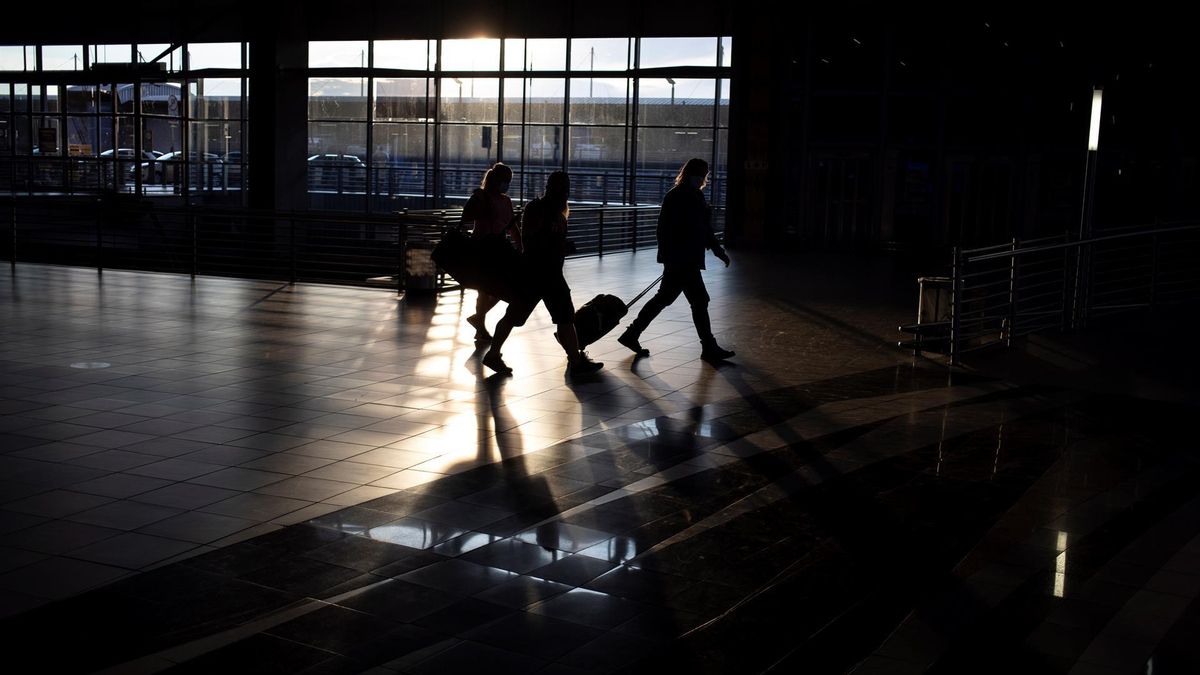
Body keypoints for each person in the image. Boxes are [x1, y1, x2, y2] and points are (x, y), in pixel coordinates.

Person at [482, 171, 604, 376]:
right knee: (555, 316)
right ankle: (575, 360)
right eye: (564, 188)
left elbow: (534, 240)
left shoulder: (544, 209)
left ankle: (574, 359)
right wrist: (558, 246)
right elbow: (533, 241)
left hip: (542, 273)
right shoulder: (544, 210)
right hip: (540, 273)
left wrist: (558, 246)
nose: (566, 192)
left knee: (555, 316)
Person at [617, 158, 736, 361]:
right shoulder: (686, 196)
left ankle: (632, 333)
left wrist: (670, 256)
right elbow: (694, 229)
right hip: (684, 260)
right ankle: (708, 347)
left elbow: (673, 229)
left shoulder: (681, 195)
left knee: (665, 298)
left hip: (680, 259)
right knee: (698, 301)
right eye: (703, 174)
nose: (704, 178)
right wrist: (715, 250)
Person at [461, 162, 521, 342]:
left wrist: (520, 243)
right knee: (487, 289)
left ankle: (479, 319)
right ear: (498, 181)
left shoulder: (503, 200)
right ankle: (480, 327)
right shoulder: (482, 197)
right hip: (486, 248)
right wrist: (520, 244)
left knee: (494, 289)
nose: (507, 185)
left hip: (490, 247)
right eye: (506, 181)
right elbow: (512, 227)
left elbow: (512, 226)